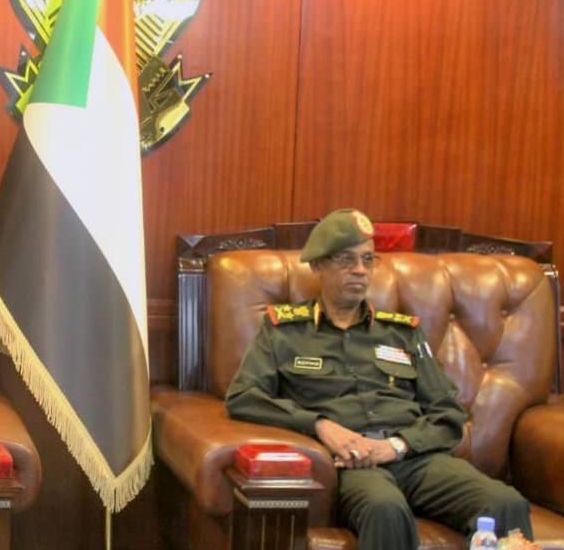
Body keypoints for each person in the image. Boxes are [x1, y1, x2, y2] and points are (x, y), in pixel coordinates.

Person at [226, 208, 531, 548]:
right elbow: (244, 397)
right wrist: (319, 425)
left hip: (414, 457)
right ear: (317, 266)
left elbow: (447, 413)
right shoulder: (284, 331)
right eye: (346, 260)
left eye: (367, 260)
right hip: (351, 465)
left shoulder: (401, 333)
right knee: (385, 508)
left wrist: (396, 446)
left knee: (505, 504)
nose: (359, 270)